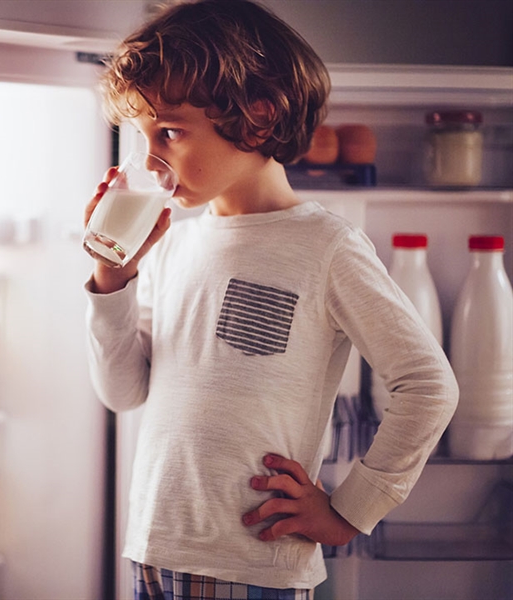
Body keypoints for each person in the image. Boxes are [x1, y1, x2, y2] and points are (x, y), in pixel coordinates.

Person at [82, 1, 458, 598]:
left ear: (257, 118)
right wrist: (111, 279)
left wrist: (349, 511)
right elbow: (122, 391)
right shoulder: (175, 244)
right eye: (142, 136)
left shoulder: (324, 245)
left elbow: (428, 384)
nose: (150, 159)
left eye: (170, 133)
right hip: (155, 548)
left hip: (252, 564)